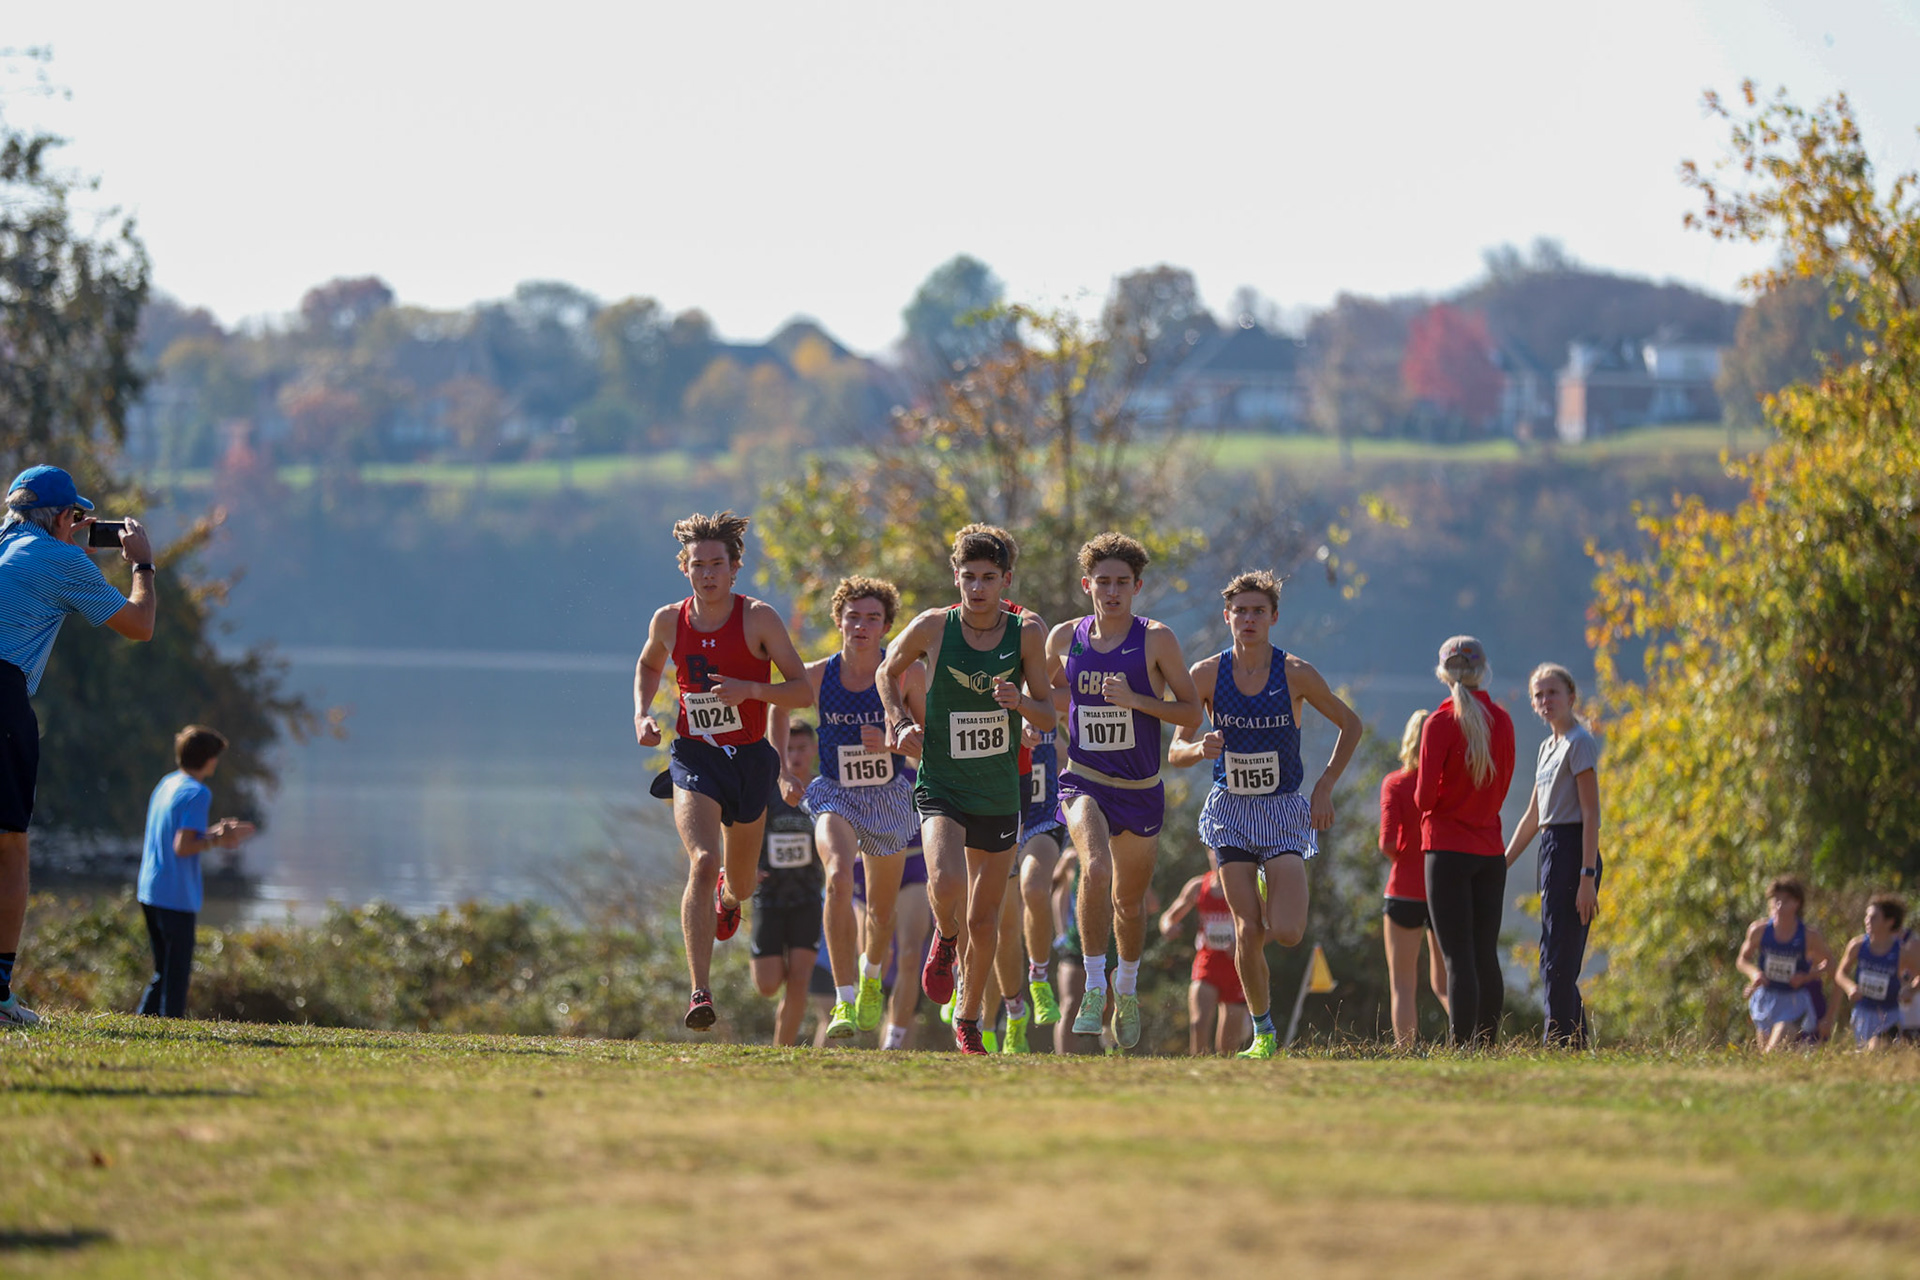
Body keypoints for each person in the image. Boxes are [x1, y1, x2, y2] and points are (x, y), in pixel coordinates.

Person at [1169, 570, 1363, 1060]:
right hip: (1231, 810)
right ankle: (1263, 1031)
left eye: (1259, 611)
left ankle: (1266, 884)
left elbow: (1350, 724)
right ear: (1227, 616)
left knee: (1289, 932)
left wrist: (1324, 786)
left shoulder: (1294, 672)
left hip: (1282, 810)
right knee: (1247, 930)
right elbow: (1175, 750)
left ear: (1274, 617)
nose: (1249, 619)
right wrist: (1199, 749)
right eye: (1241, 610)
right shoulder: (1206, 674)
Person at [878, 523, 1055, 1055]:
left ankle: (969, 1020)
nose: (977, 589)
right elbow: (889, 670)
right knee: (947, 879)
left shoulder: (1025, 634)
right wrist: (897, 721)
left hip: (999, 791)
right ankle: (944, 939)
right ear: (956, 577)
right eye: (968, 578)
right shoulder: (935, 626)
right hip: (943, 782)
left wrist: (1019, 702)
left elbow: (1048, 713)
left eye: (988, 578)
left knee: (987, 916)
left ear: (1005, 581)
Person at [633, 511, 812, 1031]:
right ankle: (699, 991)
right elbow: (648, 665)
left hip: (752, 759)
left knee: (741, 883)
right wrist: (643, 713)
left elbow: (801, 689)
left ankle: (729, 900)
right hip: (695, 755)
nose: (707, 573)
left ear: (734, 568)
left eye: (717, 564)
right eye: (697, 565)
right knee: (703, 859)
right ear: (684, 568)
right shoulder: (669, 620)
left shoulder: (758, 618)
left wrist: (751, 690)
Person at [0, 465, 158, 1026]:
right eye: (74, 520)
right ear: (66, 518)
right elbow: (139, 625)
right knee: (9, 845)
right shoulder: (61, 559)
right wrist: (140, 562)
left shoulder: (4, 544)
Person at [1048, 532, 1203, 1050]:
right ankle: (1095, 986)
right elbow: (1048, 690)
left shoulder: (1156, 639)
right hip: (1083, 779)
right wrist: (1040, 719)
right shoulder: (1064, 638)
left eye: (1121, 583)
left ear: (1136, 587)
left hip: (1139, 789)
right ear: (1087, 584)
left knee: (1129, 906)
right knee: (1093, 867)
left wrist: (1138, 700)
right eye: (1102, 582)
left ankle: (1126, 990)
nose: (1111, 592)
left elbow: (1190, 712)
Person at [791, 576, 924, 1041]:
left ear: (887, 627)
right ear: (839, 621)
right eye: (853, 616)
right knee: (839, 878)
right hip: (836, 792)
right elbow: (773, 704)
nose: (861, 625)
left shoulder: (907, 673)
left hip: (888, 800)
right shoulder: (818, 674)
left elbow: (932, 749)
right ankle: (845, 1000)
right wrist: (784, 772)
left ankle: (871, 976)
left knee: (881, 914)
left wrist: (894, 742)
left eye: (872, 618)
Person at [1416, 635, 1517, 1049]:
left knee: (1456, 957)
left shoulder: (1438, 724)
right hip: (1491, 850)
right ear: (1482, 670)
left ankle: (1461, 1046)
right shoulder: (1504, 721)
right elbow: (1503, 785)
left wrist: (1445, 802)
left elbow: (1423, 798)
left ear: (1443, 672)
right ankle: (1488, 1044)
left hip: (1446, 849)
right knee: (1484, 953)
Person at [1503, 664, 1602, 1048]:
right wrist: (1503, 862)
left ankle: (1558, 1041)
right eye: (1539, 695)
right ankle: (1574, 1043)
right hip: (1550, 850)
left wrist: (1587, 876)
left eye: (1553, 693)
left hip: (1574, 850)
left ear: (1571, 697)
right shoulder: (1547, 748)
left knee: (1560, 960)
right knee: (1549, 955)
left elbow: (1590, 813)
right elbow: (1533, 815)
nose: (1546, 701)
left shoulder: (1580, 742)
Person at [135, 726, 255, 1018]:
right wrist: (217, 839)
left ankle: (142, 1025)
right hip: (175, 895)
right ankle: (171, 1028)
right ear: (208, 759)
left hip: (150, 889)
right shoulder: (197, 792)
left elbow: (178, 835)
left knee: (163, 970)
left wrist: (214, 832)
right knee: (176, 974)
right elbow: (183, 846)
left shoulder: (168, 784)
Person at [752, 720, 824, 1047]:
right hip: (769, 894)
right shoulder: (766, 788)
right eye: (789, 749)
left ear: (814, 750)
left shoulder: (823, 791)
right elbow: (742, 831)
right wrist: (746, 867)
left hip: (808, 897)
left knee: (800, 978)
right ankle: (774, 967)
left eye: (801, 748)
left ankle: (783, 1050)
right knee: (767, 985)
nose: (795, 755)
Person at [1378, 709, 1447, 1049]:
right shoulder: (1445, 786)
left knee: (1402, 984)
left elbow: (1387, 843)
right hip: (1440, 891)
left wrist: (1405, 855)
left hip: (1403, 890)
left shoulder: (1395, 783)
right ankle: (1470, 1042)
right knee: (1445, 983)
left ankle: (1406, 1049)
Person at [1159, 851, 1249, 1056]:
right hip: (1207, 961)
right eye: (1213, 851)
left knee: (1228, 1044)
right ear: (1208, 853)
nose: (1218, 856)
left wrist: (1241, 944)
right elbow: (1168, 917)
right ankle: (1197, 1073)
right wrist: (1168, 928)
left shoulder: (1242, 887)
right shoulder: (1198, 886)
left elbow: (1262, 924)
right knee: (1198, 1024)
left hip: (1236, 967)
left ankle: (1222, 1081)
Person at [1735, 875, 1835, 1052]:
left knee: (1772, 1051)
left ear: (1797, 904)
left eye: (1786, 901)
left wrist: (1807, 977)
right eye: (1776, 900)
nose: (1779, 906)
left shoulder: (1809, 936)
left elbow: (1831, 965)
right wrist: (1754, 974)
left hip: (1794, 1001)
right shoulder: (1758, 930)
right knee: (1768, 1053)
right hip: (1766, 999)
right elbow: (1742, 960)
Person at [1832, 895, 1917, 1050]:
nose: (1867, 921)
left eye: (1874, 917)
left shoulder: (1901, 952)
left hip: (1890, 1016)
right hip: (1862, 1014)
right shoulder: (1857, 946)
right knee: (1867, 1057)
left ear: (1889, 921)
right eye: (1867, 916)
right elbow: (1840, 973)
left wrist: (1911, 990)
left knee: (1875, 1049)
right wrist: (1850, 987)